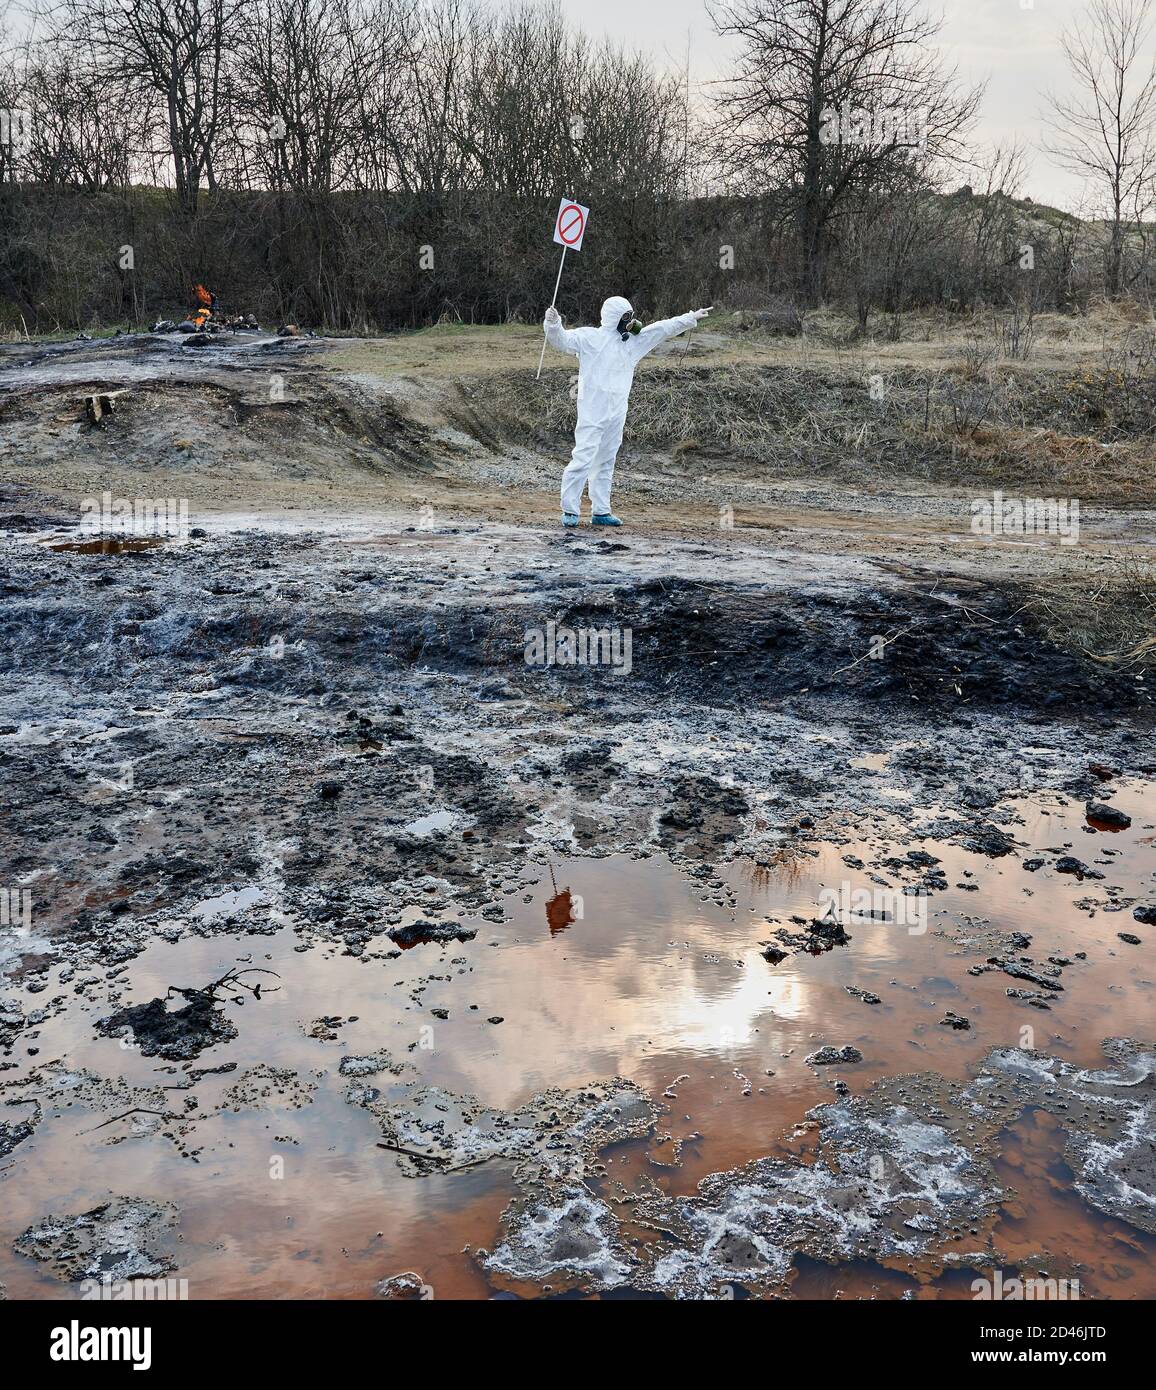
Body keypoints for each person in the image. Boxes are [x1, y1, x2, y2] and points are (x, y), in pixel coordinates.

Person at [543, 296, 712, 526]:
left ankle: (601, 511)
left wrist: (690, 317)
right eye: (626, 317)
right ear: (614, 318)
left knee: (606, 460)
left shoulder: (633, 342)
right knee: (583, 458)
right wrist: (553, 324)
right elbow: (562, 340)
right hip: (593, 410)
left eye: (631, 315)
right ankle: (570, 510)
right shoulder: (590, 338)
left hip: (617, 412)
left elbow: (662, 329)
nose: (631, 321)